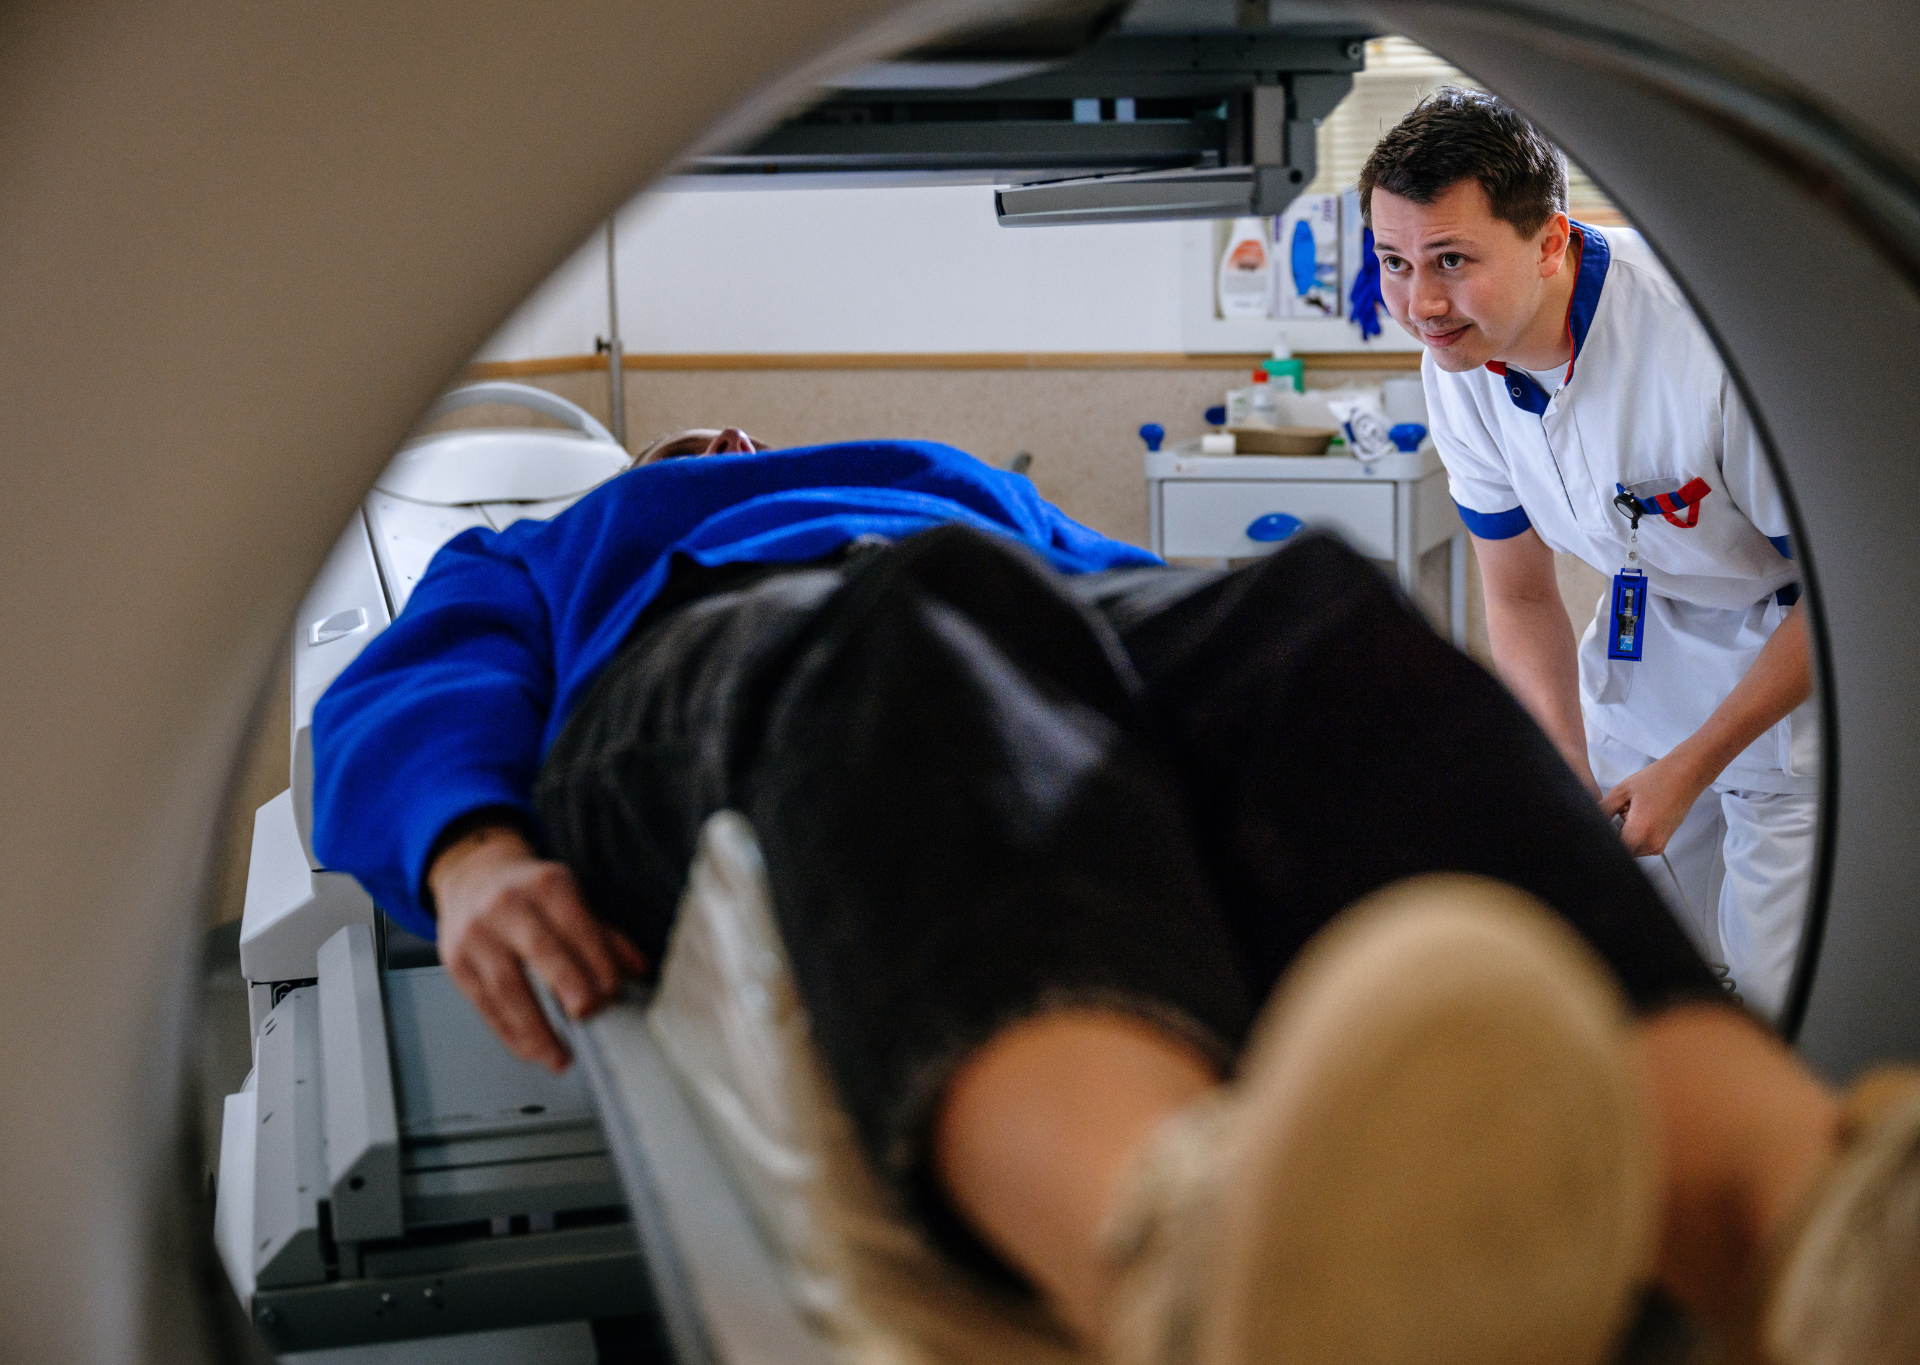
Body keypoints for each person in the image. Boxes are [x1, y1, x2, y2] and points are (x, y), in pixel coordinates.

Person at [313, 432, 1914, 1365]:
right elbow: (396, 697)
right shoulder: (567, 540)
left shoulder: (938, 474)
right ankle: (1177, 1248)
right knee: (912, 623)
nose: (726, 447)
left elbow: (1126, 628)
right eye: (699, 446)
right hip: (719, 668)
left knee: (1314, 622)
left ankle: (1795, 1217)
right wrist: (476, 853)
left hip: (1043, 608)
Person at [1361, 88, 1817, 1020]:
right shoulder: (1458, 364)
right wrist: (1564, 771)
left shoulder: (1709, 346)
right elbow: (1522, 598)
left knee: (1784, 994)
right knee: (1621, 968)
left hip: (1792, 666)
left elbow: (1847, 603)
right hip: (1645, 656)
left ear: (1551, 242)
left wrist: (1692, 765)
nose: (1422, 303)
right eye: (1395, 262)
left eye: (1452, 259)